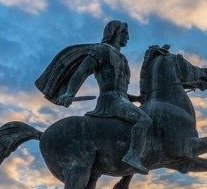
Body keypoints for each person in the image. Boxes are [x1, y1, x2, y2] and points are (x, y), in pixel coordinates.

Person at [35, 20, 150, 174]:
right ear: (115, 33)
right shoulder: (102, 50)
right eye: (125, 33)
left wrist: (136, 99)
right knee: (144, 120)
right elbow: (82, 71)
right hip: (111, 102)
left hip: (121, 100)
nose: (128, 37)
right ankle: (132, 156)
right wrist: (70, 92)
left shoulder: (123, 60)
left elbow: (121, 91)